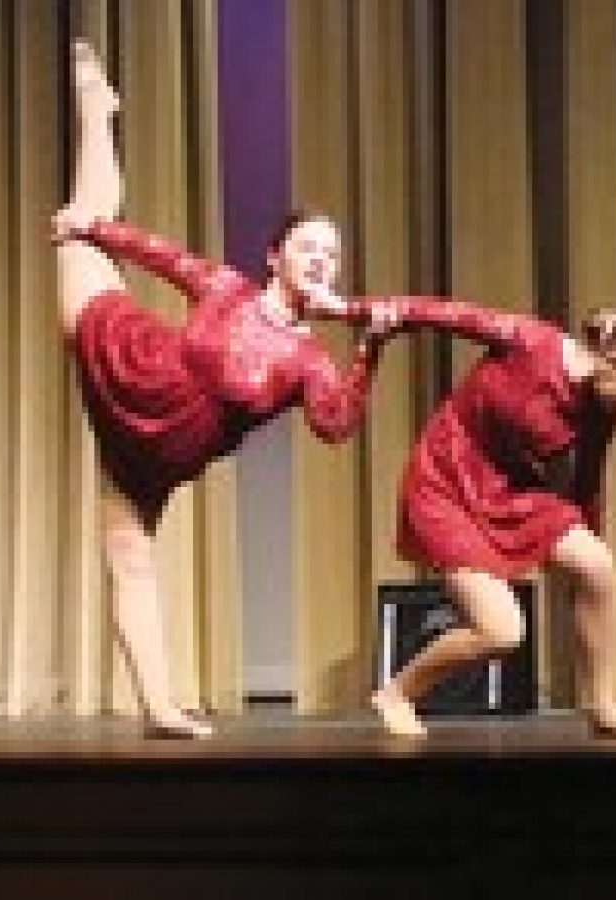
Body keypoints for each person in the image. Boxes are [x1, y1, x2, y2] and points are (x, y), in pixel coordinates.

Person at [54, 43, 391, 737]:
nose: (321, 260)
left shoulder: (307, 362)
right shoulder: (228, 288)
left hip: (154, 452)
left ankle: (159, 709)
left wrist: (371, 348)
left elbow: (338, 424)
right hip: (121, 354)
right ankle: (97, 112)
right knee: (83, 229)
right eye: (308, 249)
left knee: (128, 557)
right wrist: (93, 228)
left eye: (332, 254)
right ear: (276, 257)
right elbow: (156, 252)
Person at [318, 299, 616, 740]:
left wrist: (585, 544)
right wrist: (354, 311)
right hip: (445, 484)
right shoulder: (532, 342)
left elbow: (587, 484)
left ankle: (602, 704)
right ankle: (397, 693)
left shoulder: (602, 411)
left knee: (600, 567)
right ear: (615, 359)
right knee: (502, 631)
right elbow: (446, 314)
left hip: (513, 493)